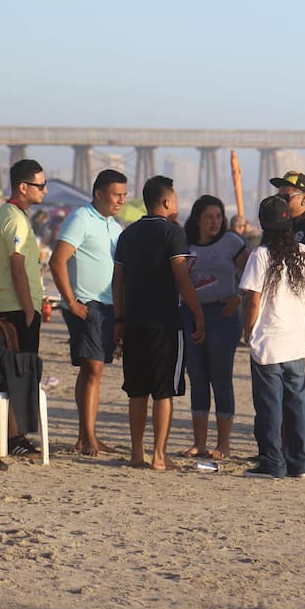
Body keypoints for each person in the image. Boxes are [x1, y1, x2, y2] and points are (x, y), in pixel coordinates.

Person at [112, 175, 205, 471]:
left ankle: (137, 454)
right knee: (164, 391)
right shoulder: (172, 233)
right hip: (165, 323)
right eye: (175, 199)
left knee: (137, 390)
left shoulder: (128, 234)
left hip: (134, 321)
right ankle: (159, 456)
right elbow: (181, 277)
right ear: (166, 202)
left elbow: (117, 282)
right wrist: (198, 312)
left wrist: (118, 318)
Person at [49, 169, 127, 456]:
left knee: (94, 370)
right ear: (98, 193)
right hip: (86, 304)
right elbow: (57, 261)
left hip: (107, 306)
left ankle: (86, 436)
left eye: (123, 195)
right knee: (92, 368)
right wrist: (70, 301)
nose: (121, 200)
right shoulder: (80, 218)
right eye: (116, 194)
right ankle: (88, 437)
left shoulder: (114, 226)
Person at [239, 195, 305, 479]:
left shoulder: (261, 255)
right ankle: (300, 464)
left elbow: (253, 300)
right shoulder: (303, 252)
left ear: (263, 224)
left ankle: (272, 462)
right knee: (296, 405)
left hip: (268, 341)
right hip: (295, 341)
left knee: (269, 407)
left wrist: (248, 331)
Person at [180, 193, 249, 459]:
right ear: (198, 219)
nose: (215, 222)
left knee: (221, 379)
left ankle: (223, 444)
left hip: (223, 316)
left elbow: (253, 273)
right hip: (189, 315)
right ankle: (199, 442)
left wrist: (239, 298)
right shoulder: (185, 243)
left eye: (219, 216)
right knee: (197, 379)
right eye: (209, 217)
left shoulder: (232, 242)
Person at [0, 159, 48, 454]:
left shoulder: (11, 214)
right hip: (16, 307)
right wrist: (28, 309)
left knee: (17, 371)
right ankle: (13, 438)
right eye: (40, 185)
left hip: (12, 304)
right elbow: (16, 267)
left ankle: (15, 435)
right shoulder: (14, 218)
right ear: (23, 187)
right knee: (18, 371)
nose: (45, 191)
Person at [269, 170, 305, 437]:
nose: (281, 200)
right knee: (276, 377)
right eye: (278, 195)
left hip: (302, 308)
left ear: (304, 198)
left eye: (286, 195)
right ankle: (279, 440)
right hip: (273, 309)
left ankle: (300, 441)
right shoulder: (273, 225)